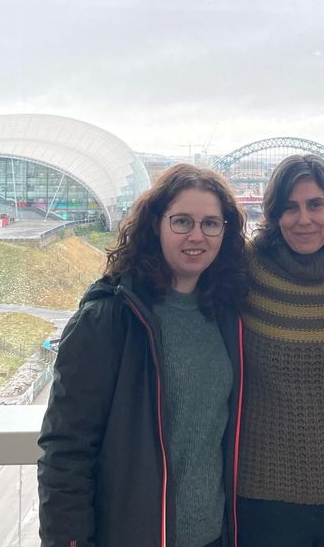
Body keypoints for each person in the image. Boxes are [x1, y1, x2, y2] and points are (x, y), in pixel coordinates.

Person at [37, 164, 248, 547]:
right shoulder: (109, 318)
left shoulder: (225, 313)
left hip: (214, 536)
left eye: (211, 224)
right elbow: (66, 451)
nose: (196, 236)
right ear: (156, 224)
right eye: (182, 221)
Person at [237, 154, 324, 546]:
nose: (304, 219)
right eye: (290, 207)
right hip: (261, 489)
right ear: (274, 215)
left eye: (315, 204)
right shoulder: (244, 271)